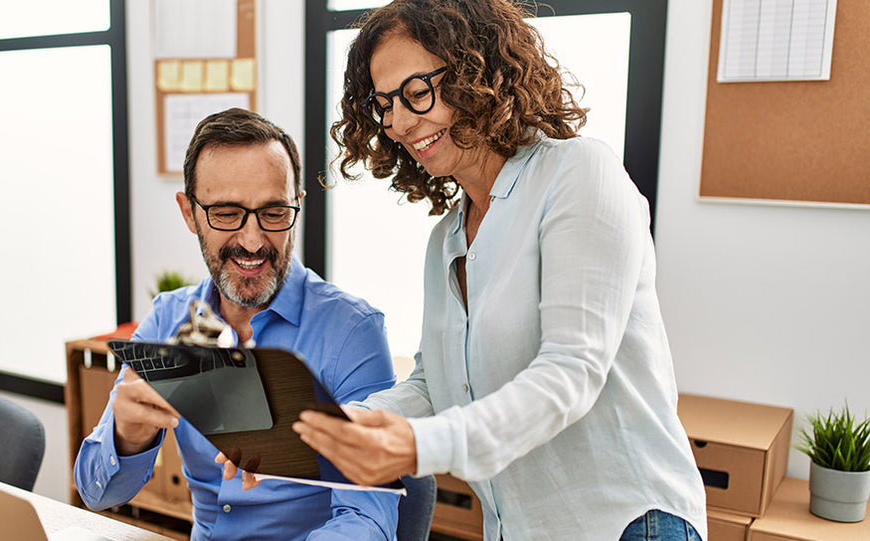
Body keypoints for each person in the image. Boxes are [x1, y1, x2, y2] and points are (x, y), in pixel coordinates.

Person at [290, 1, 708, 539]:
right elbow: (432, 384)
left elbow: (571, 372)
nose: (397, 122)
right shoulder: (448, 237)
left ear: (476, 73)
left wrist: (419, 445)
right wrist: (318, 431)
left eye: (416, 93)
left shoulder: (577, 174)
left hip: (628, 523)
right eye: (384, 104)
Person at [74, 108, 400, 540]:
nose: (251, 241)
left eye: (273, 212)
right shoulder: (169, 318)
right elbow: (97, 493)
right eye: (227, 213)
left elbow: (370, 520)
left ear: (297, 207)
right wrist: (126, 435)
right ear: (189, 212)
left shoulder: (352, 333)